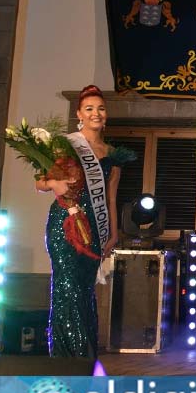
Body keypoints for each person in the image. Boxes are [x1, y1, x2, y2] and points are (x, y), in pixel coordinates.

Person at [37, 84, 131, 358]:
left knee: (84, 290)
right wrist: (55, 184)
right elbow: (40, 181)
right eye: (89, 109)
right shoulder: (66, 144)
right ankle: (70, 358)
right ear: (79, 113)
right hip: (65, 224)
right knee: (67, 287)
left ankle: (86, 358)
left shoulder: (113, 154)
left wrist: (113, 233)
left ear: (107, 114)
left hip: (95, 228)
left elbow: (112, 198)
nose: (96, 113)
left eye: (101, 108)